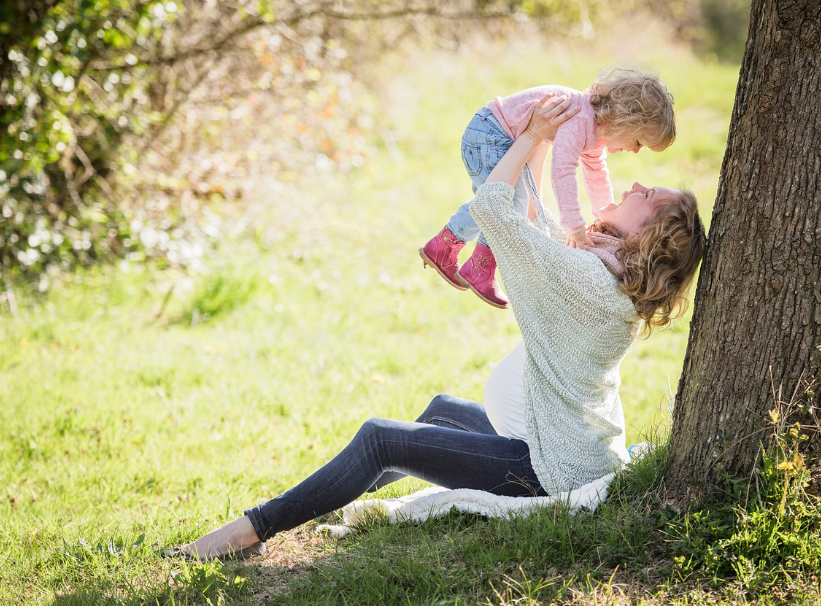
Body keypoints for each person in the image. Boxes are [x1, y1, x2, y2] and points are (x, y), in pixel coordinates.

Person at [165, 94, 705, 561]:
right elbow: (536, 223)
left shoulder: (587, 280)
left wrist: (531, 137)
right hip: (561, 443)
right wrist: (544, 139)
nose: (637, 183)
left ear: (649, 236)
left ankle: (249, 532)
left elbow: (494, 208)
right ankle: (321, 499)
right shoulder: (606, 274)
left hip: (548, 469)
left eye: (648, 196)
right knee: (442, 410)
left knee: (381, 438)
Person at [419, 68, 676, 309]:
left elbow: (597, 175)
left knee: (502, 200)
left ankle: (444, 246)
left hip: (493, 133)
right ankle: (479, 266)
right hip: (490, 134)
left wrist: (603, 217)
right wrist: (574, 226)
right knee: (505, 202)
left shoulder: (595, 130)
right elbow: (562, 172)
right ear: (625, 121)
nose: (635, 151)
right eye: (638, 142)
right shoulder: (582, 120)